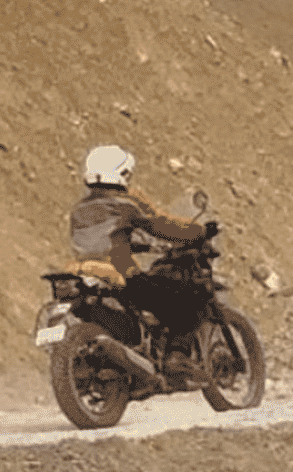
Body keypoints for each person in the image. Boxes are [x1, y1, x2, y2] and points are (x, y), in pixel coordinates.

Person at [68, 144, 211, 372]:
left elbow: (102, 240)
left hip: (81, 272)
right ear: (121, 174)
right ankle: (177, 354)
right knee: (192, 295)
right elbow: (161, 226)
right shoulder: (124, 203)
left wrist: (137, 245)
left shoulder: (80, 209)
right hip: (120, 274)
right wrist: (198, 231)